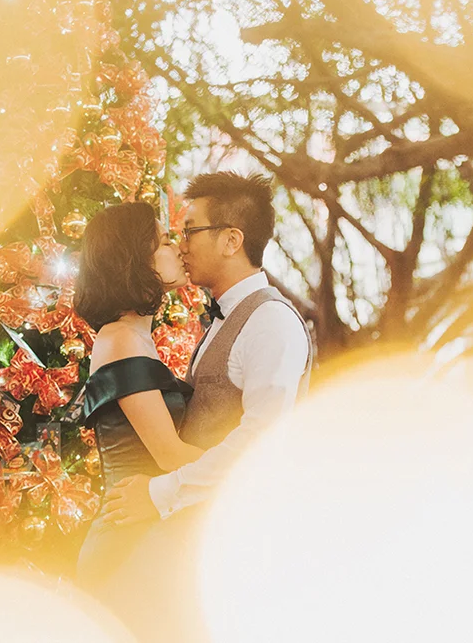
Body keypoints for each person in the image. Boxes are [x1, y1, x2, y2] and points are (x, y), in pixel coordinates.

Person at [100, 171, 314, 641]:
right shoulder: (221, 319)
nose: (182, 245)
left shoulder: (270, 322)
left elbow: (259, 445)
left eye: (191, 230)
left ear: (231, 240)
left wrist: (159, 494)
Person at [72, 201, 204, 591]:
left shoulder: (135, 338)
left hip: (147, 534)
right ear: (133, 260)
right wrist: (255, 466)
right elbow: (170, 456)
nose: (178, 248)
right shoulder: (120, 340)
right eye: (164, 241)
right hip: (126, 545)